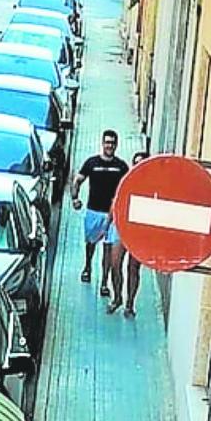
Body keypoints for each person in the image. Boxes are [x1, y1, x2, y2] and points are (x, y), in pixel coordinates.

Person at [70, 129, 130, 307]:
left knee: (108, 250)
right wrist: (75, 198)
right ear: (102, 144)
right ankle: (87, 266)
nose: (109, 145)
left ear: (116, 145)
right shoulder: (91, 163)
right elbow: (78, 180)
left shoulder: (121, 167)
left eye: (112, 143)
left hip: (113, 216)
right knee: (90, 243)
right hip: (93, 211)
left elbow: (128, 188)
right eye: (107, 142)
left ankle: (104, 283)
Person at [109, 151, 148, 318]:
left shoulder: (152, 185)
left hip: (140, 232)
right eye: (136, 162)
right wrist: (107, 223)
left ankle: (130, 304)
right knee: (115, 263)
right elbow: (116, 201)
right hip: (123, 227)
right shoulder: (126, 181)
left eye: (142, 163)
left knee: (133, 268)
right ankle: (117, 297)